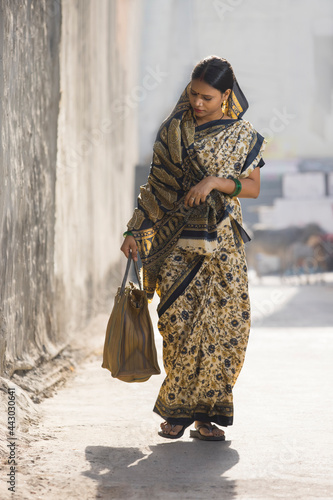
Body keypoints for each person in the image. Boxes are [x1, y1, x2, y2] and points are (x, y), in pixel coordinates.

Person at [121, 56, 266, 441]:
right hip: (176, 247)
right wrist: (135, 231)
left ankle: (208, 416)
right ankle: (177, 412)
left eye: (207, 97)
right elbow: (157, 188)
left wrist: (217, 182)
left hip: (223, 249)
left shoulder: (242, 135)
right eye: (194, 94)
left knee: (225, 328)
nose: (198, 103)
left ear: (226, 96)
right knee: (180, 327)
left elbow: (251, 188)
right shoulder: (174, 131)